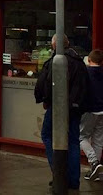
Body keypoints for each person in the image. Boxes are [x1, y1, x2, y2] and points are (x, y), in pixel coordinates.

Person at [35, 33, 90, 190]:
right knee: (73, 141)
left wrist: (45, 100)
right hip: (75, 108)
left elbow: (45, 83)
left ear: (54, 45)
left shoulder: (56, 61)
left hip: (57, 107)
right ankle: (73, 180)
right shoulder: (79, 62)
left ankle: (60, 174)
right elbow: (85, 86)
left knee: (47, 134)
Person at [80, 49, 103, 181]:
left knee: (81, 137)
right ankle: (96, 171)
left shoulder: (86, 73)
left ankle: (94, 162)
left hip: (89, 109)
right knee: (98, 140)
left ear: (89, 60)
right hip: (102, 110)